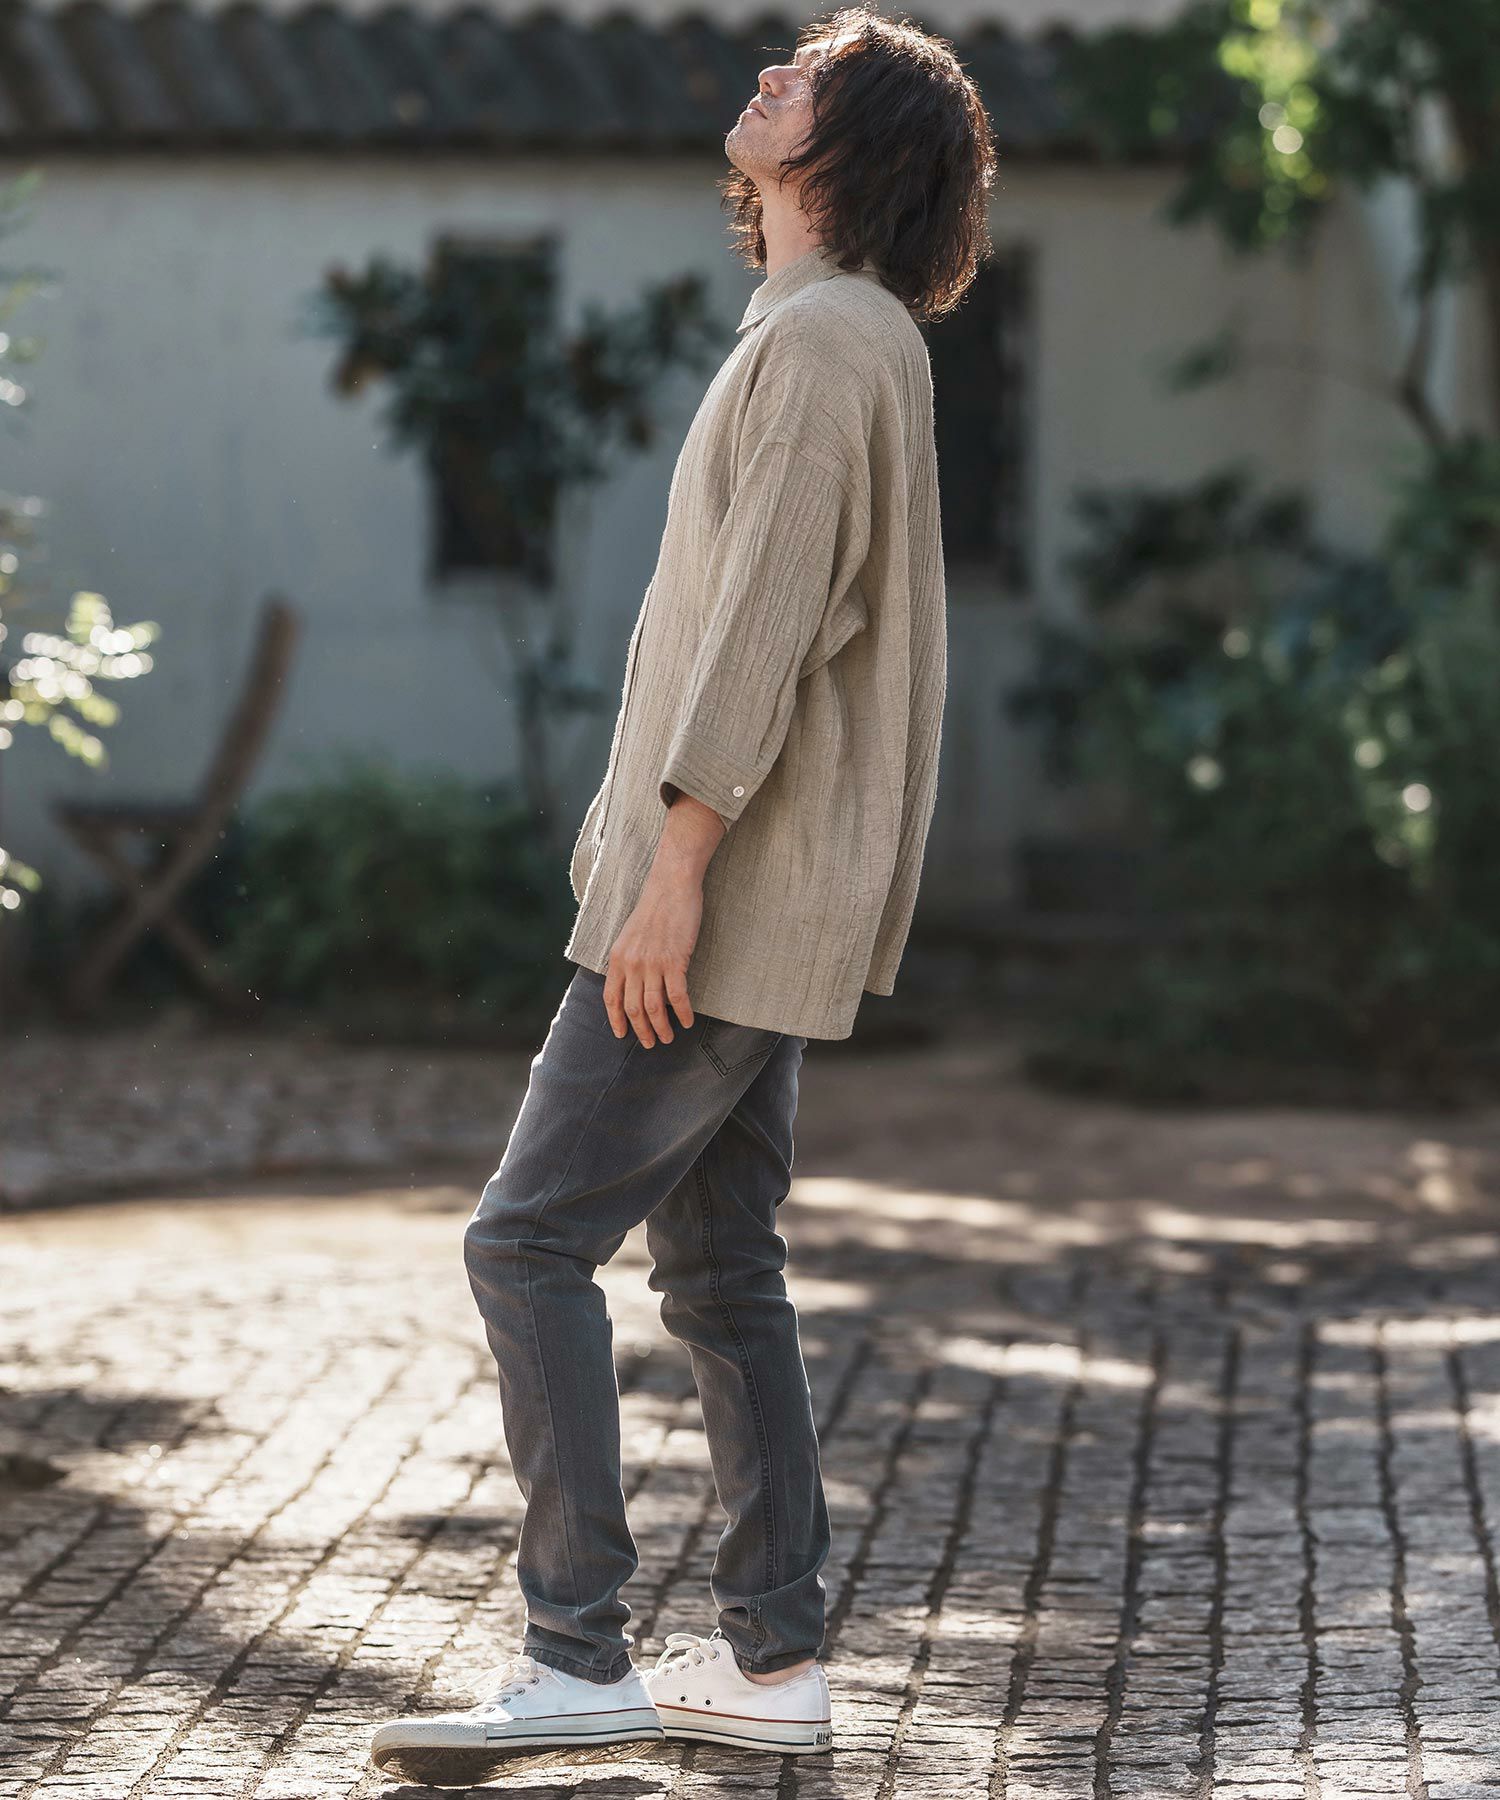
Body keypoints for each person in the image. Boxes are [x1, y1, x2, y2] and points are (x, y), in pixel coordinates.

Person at [370, 5, 995, 1786]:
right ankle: (774, 1662)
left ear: (851, 148)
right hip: (747, 890)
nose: (771, 76)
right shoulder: (830, 333)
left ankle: (575, 1655)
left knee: (524, 1242)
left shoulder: (827, 344)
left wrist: (673, 877)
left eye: (812, 76)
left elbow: (765, 638)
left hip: (723, 896)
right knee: (722, 1269)